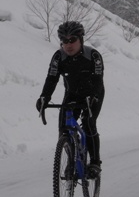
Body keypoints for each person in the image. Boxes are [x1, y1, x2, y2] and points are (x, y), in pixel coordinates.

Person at [36, 21, 105, 176]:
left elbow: (98, 80)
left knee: (88, 122)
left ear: (81, 39)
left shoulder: (93, 56)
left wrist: (92, 97)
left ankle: (94, 163)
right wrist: (44, 97)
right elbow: (52, 78)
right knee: (64, 127)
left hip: (94, 93)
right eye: (64, 41)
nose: (68, 45)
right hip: (72, 94)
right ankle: (71, 161)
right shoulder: (58, 57)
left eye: (72, 40)